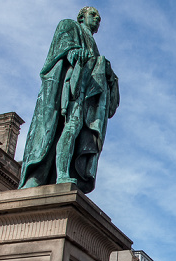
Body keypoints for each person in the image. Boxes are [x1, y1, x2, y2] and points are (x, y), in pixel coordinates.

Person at [19, 6, 119, 194]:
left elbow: (97, 69)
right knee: (70, 128)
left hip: (85, 95)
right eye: (93, 15)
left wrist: (108, 72)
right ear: (82, 17)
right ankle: (61, 174)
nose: (97, 19)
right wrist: (72, 53)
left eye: (99, 17)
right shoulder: (69, 25)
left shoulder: (94, 45)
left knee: (74, 131)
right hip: (69, 90)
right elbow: (61, 49)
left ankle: (62, 173)